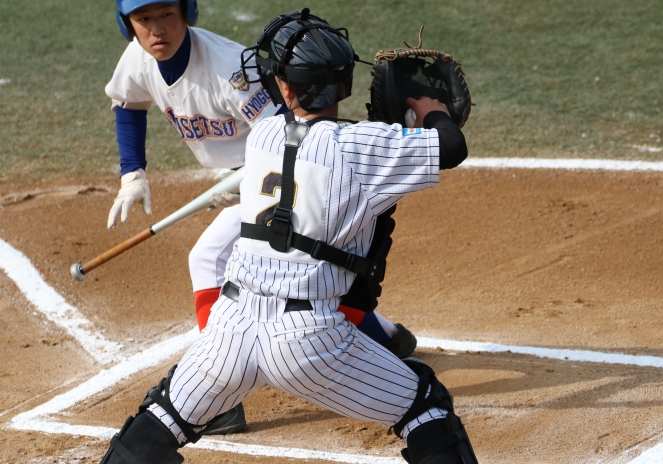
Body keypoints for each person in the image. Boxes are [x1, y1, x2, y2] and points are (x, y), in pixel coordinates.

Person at [99, 9, 478, 464]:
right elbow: (450, 145)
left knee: (158, 422)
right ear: (344, 83)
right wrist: (432, 113)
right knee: (427, 408)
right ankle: (383, 336)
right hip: (308, 342)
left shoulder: (261, 135)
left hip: (229, 332)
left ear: (283, 87)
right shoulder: (364, 147)